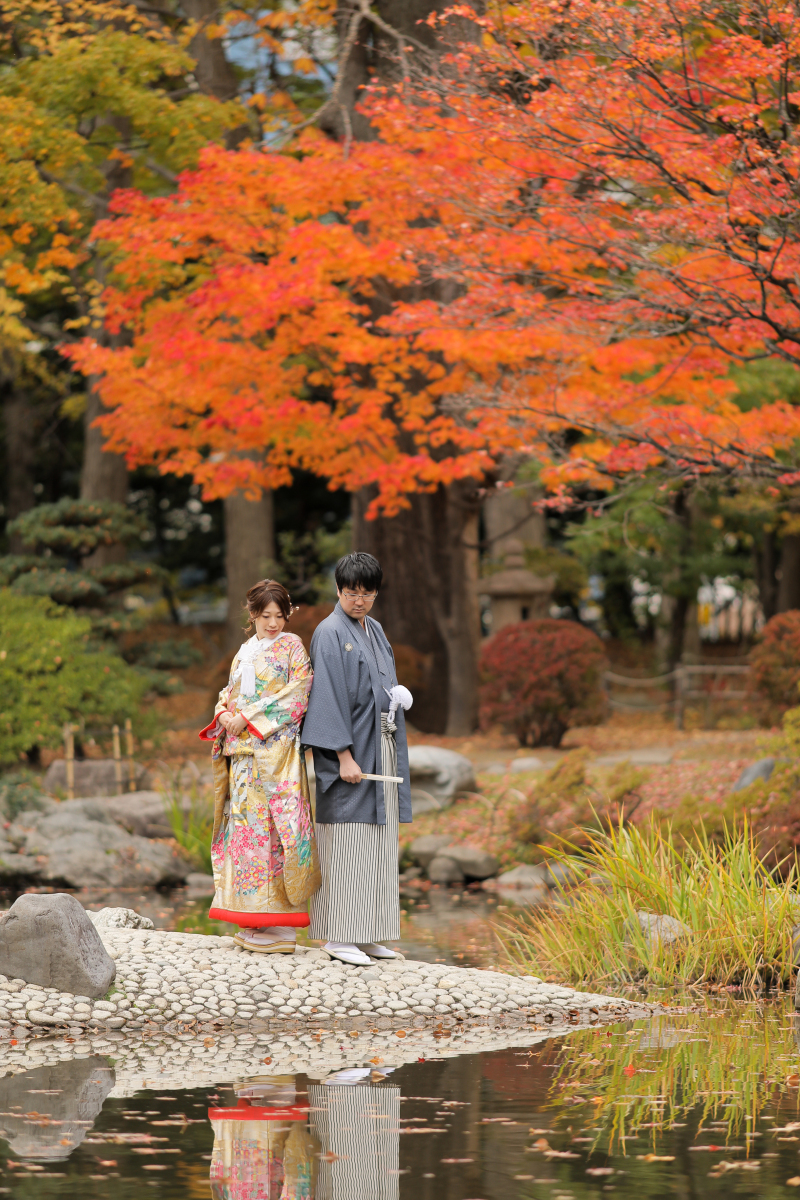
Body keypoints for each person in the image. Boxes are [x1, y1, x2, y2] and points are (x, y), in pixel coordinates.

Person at [302, 552, 413, 966]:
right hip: (349, 752)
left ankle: (369, 933)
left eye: (367, 594)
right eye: (351, 593)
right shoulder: (329, 632)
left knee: (379, 841)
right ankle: (337, 934)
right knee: (347, 838)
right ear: (338, 590)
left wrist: (397, 694)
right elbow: (326, 698)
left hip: (380, 745)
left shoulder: (375, 628)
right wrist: (342, 756)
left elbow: (382, 682)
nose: (359, 601)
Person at [199, 579, 320, 954]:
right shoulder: (245, 650)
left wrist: (247, 718)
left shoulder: (292, 647)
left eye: (280, 615)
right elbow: (229, 692)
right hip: (243, 761)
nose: (273, 623)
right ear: (251, 614)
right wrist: (222, 711)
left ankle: (281, 927)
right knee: (246, 837)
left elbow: (298, 694)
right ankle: (254, 919)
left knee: (276, 835)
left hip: (273, 757)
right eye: (265, 615)